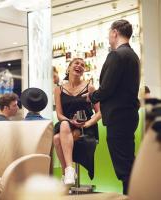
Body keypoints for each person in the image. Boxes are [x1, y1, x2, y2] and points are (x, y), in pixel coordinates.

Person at [84, 19, 140, 194]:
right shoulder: (133, 56)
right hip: (129, 115)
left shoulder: (116, 55)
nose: (109, 37)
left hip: (118, 116)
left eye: (109, 32)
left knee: (124, 166)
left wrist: (92, 95)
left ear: (115, 32)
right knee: (128, 161)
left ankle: (131, 196)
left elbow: (107, 88)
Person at [53, 58, 101, 185]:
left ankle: (66, 173)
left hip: (86, 126)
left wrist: (87, 123)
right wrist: (70, 121)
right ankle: (69, 170)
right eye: (76, 63)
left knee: (58, 138)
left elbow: (100, 113)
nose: (79, 66)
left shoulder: (90, 87)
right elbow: (59, 114)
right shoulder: (58, 90)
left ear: (83, 71)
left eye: (82, 65)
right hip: (67, 124)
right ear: (69, 68)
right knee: (61, 129)